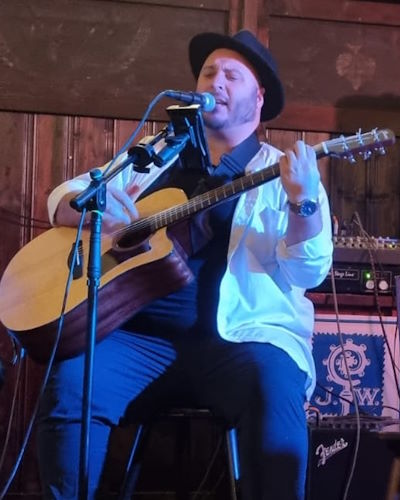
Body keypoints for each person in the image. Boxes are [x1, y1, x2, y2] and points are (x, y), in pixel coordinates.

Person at [37, 30, 333, 499]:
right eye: (208, 72)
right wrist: (91, 213)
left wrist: (304, 203)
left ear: (258, 99)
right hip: (136, 339)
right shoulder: (155, 157)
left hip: (239, 343)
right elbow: (64, 196)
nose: (216, 81)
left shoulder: (285, 172)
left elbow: (308, 272)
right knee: (71, 381)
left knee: (275, 386)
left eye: (231, 75)